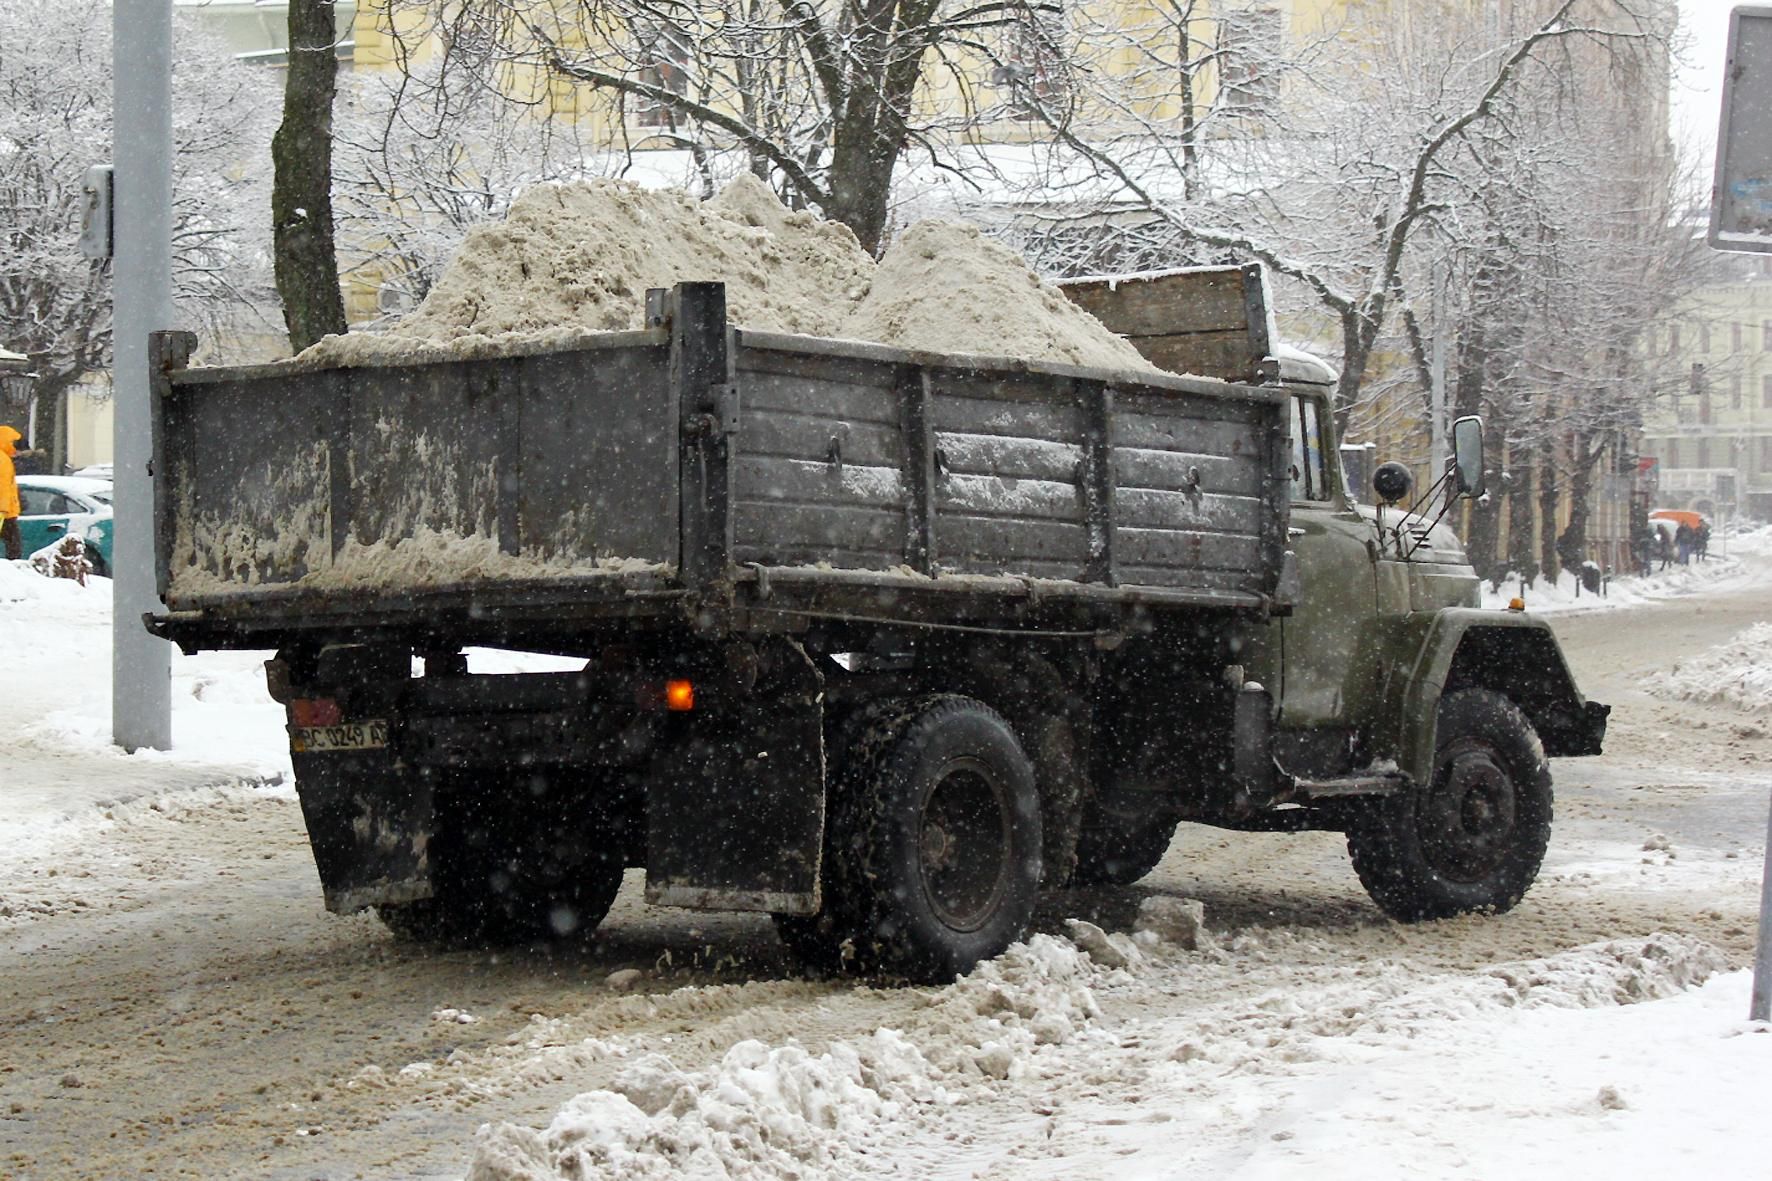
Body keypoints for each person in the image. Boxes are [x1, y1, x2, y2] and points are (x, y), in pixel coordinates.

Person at [1, 425, 23, 560]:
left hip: (6, 510)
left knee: (13, 544)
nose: (14, 446)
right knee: (14, 546)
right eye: (12, 442)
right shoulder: (2, 460)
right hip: (5, 512)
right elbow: (2, 485)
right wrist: (3, 508)